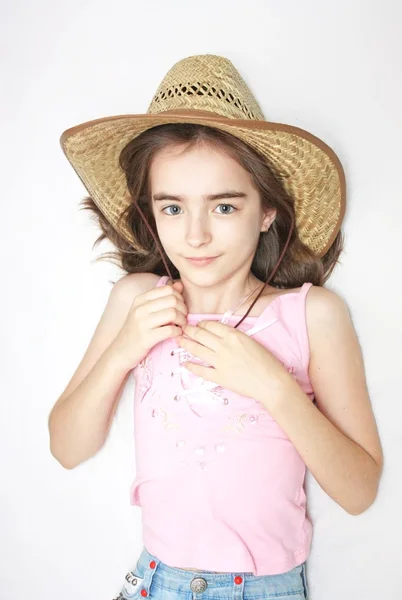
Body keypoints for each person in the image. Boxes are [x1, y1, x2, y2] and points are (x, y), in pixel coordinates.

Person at [48, 54, 383, 600]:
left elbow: (359, 490)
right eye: (173, 208)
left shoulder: (312, 313)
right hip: (154, 580)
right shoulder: (137, 299)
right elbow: (66, 447)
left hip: (263, 588)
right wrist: (122, 352)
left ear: (267, 210)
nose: (196, 236)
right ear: (151, 212)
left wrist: (274, 386)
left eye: (224, 207)